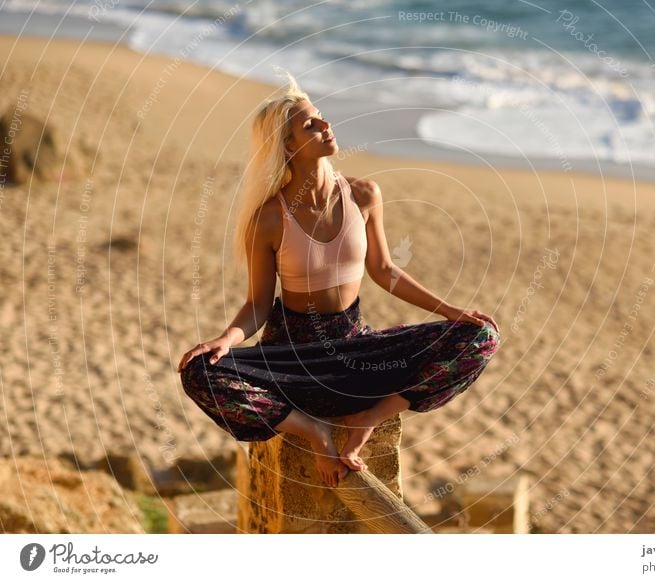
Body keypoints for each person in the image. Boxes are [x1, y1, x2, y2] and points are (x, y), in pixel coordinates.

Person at [177, 71, 501, 488]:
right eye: (309, 124)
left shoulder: (363, 195)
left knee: (483, 337)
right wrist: (225, 339)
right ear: (288, 145)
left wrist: (453, 312)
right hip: (291, 360)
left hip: (355, 350)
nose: (326, 125)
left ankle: (367, 417)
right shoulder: (270, 218)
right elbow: (259, 304)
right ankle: (314, 432)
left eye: (322, 116)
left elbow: (385, 271)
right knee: (198, 372)